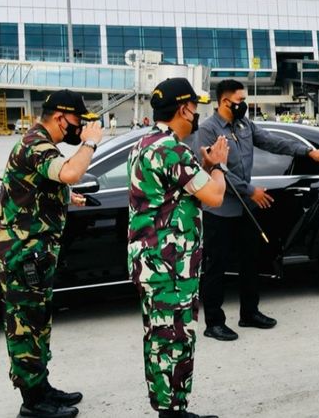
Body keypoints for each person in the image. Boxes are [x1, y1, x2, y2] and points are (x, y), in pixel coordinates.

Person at [0, 90, 102, 418]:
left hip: (32, 255)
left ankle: (41, 387)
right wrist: (90, 143)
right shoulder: (35, 143)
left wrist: (64, 194)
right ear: (59, 117)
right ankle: (32, 403)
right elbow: (69, 171)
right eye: (78, 121)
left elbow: (47, 182)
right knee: (25, 328)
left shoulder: (40, 144)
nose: (80, 127)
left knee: (37, 324)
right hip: (20, 256)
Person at [193, 79, 319, 342]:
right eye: (240, 101)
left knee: (251, 260)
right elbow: (217, 170)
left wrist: (307, 151)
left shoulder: (245, 125)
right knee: (216, 267)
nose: (244, 105)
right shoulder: (208, 130)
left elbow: (272, 142)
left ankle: (249, 312)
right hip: (220, 209)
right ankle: (214, 321)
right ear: (224, 101)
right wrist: (250, 191)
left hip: (247, 210)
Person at [127, 77, 228, 418]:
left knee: (159, 338)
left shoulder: (144, 143)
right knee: (174, 338)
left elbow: (178, 191)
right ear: (184, 108)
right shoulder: (172, 149)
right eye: (195, 107)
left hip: (152, 263)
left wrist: (207, 167)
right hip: (169, 267)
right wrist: (219, 165)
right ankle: (173, 411)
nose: (197, 114)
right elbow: (213, 196)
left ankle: (169, 408)